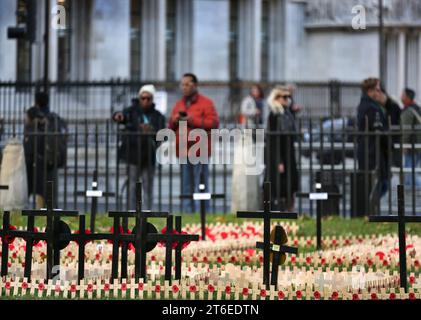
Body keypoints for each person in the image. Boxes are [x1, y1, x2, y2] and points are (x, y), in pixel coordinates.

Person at [168, 73, 219, 213]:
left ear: (195, 85)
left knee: (201, 184)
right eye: (182, 84)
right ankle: (187, 213)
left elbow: (214, 123)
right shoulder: (179, 104)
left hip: (199, 150)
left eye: (187, 84)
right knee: (186, 185)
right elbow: (170, 128)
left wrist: (192, 120)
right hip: (183, 150)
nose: (184, 87)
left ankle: (203, 213)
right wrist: (174, 120)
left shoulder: (206, 103)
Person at [113, 85, 166, 209]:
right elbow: (121, 117)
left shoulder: (157, 115)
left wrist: (151, 130)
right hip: (133, 154)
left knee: (148, 187)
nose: (145, 101)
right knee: (132, 186)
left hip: (149, 155)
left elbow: (163, 134)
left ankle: (147, 212)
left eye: (148, 98)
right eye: (143, 98)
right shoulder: (132, 111)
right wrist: (119, 117)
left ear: (152, 99)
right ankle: (131, 211)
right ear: (140, 98)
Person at [24, 92, 67, 209]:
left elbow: (29, 142)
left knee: (38, 190)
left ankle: (40, 212)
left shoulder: (35, 117)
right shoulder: (54, 118)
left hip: (37, 160)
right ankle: (51, 211)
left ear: (37, 102)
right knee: (51, 190)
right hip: (51, 159)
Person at [356, 78, 389, 209]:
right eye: (377, 89)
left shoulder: (366, 105)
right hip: (372, 153)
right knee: (380, 184)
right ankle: (369, 210)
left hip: (371, 151)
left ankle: (370, 209)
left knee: (380, 183)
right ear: (369, 91)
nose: (379, 92)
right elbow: (379, 132)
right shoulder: (371, 108)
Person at [265, 86, 298, 212]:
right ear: (276, 98)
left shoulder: (287, 112)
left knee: (291, 182)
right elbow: (272, 140)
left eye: (288, 97)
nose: (287, 99)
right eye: (284, 97)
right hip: (279, 152)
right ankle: (281, 209)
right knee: (280, 183)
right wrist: (278, 160)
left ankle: (290, 208)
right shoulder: (274, 115)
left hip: (288, 150)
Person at [400, 88, 421, 187]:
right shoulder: (417, 108)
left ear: (407, 97)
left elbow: (406, 130)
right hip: (418, 145)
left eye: (403, 95)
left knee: (409, 175)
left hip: (411, 147)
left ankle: (411, 199)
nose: (401, 96)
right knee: (411, 173)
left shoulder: (408, 111)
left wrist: (404, 145)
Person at [378, 85, 402, 167]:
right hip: (386, 142)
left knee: (395, 167)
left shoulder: (393, 106)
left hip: (393, 141)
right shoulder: (380, 106)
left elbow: (393, 123)